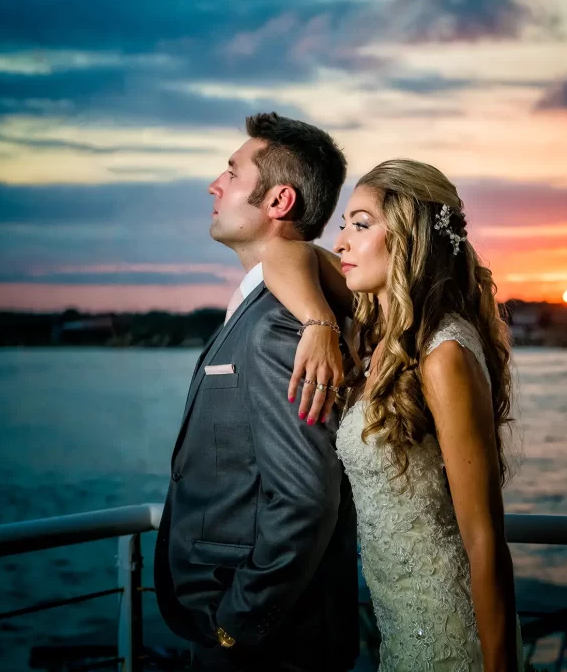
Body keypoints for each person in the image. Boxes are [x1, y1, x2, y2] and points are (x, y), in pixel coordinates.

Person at [262, 158, 523, 671]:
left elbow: (484, 537)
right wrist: (317, 323)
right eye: (343, 226)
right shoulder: (377, 336)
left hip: (450, 628)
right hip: (399, 632)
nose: (341, 243)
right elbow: (283, 254)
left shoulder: (443, 353)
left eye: (360, 225)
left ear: (408, 236)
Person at [154, 112, 359, 672]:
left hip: (267, 645)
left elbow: (304, 497)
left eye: (232, 172)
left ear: (278, 202)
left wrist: (236, 624)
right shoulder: (277, 305)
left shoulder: (278, 327)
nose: (214, 185)